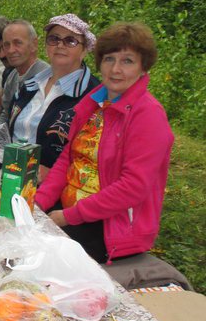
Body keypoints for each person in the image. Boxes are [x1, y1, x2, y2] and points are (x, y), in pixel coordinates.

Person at [35, 22, 174, 264]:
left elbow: (132, 187)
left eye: (128, 61)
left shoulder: (148, 114)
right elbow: (67, 160)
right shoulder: (94, 104)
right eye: (109, 59)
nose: (116, 69)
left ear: (143, 67)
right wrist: (37, 204)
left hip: (108, 230)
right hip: (71, 215)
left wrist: (67, 216)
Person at [9, 13, 99, 179]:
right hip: (12, 177)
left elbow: (95, 159)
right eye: (54, 39)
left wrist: (54, 175)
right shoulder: (30, 85)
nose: (60, 45)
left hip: (57, 197)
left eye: (70, 40)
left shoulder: (93, 95)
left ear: (84, 50)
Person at [0, 20, 48, 133]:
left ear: (34, 44)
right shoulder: (12, 75)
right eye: (6, 45)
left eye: (17, 43)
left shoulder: (46, 78)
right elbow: (6, 113)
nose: (10, 50)